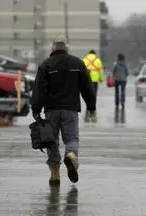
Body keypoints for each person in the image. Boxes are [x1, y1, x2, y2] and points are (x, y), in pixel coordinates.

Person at [31, 36, 96, 186]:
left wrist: (36, 108)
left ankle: (55, 173)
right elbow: (87, 87)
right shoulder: (78, 64)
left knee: (51, 141)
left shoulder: (46, 65)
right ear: (66, 47)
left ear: (53, 48)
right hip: (71, 109)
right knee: (71, 139)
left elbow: (39, 89)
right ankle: (71, 155)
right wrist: (91, 106)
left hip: (51, 110)